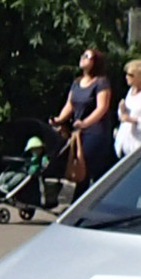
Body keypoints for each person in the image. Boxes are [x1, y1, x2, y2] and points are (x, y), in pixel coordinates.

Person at [53, 45, 118, 187]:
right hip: (79, 132)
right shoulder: (77, 82)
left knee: (86, 167)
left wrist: (85, 123)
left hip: (96, 131)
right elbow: (70, 104)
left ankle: (82, 197)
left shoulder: (101, 82)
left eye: (87, 56)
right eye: (82, 55)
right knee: (79, 167)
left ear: (95, 62)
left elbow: (102, 108)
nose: (82, 58)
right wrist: (59, 119)